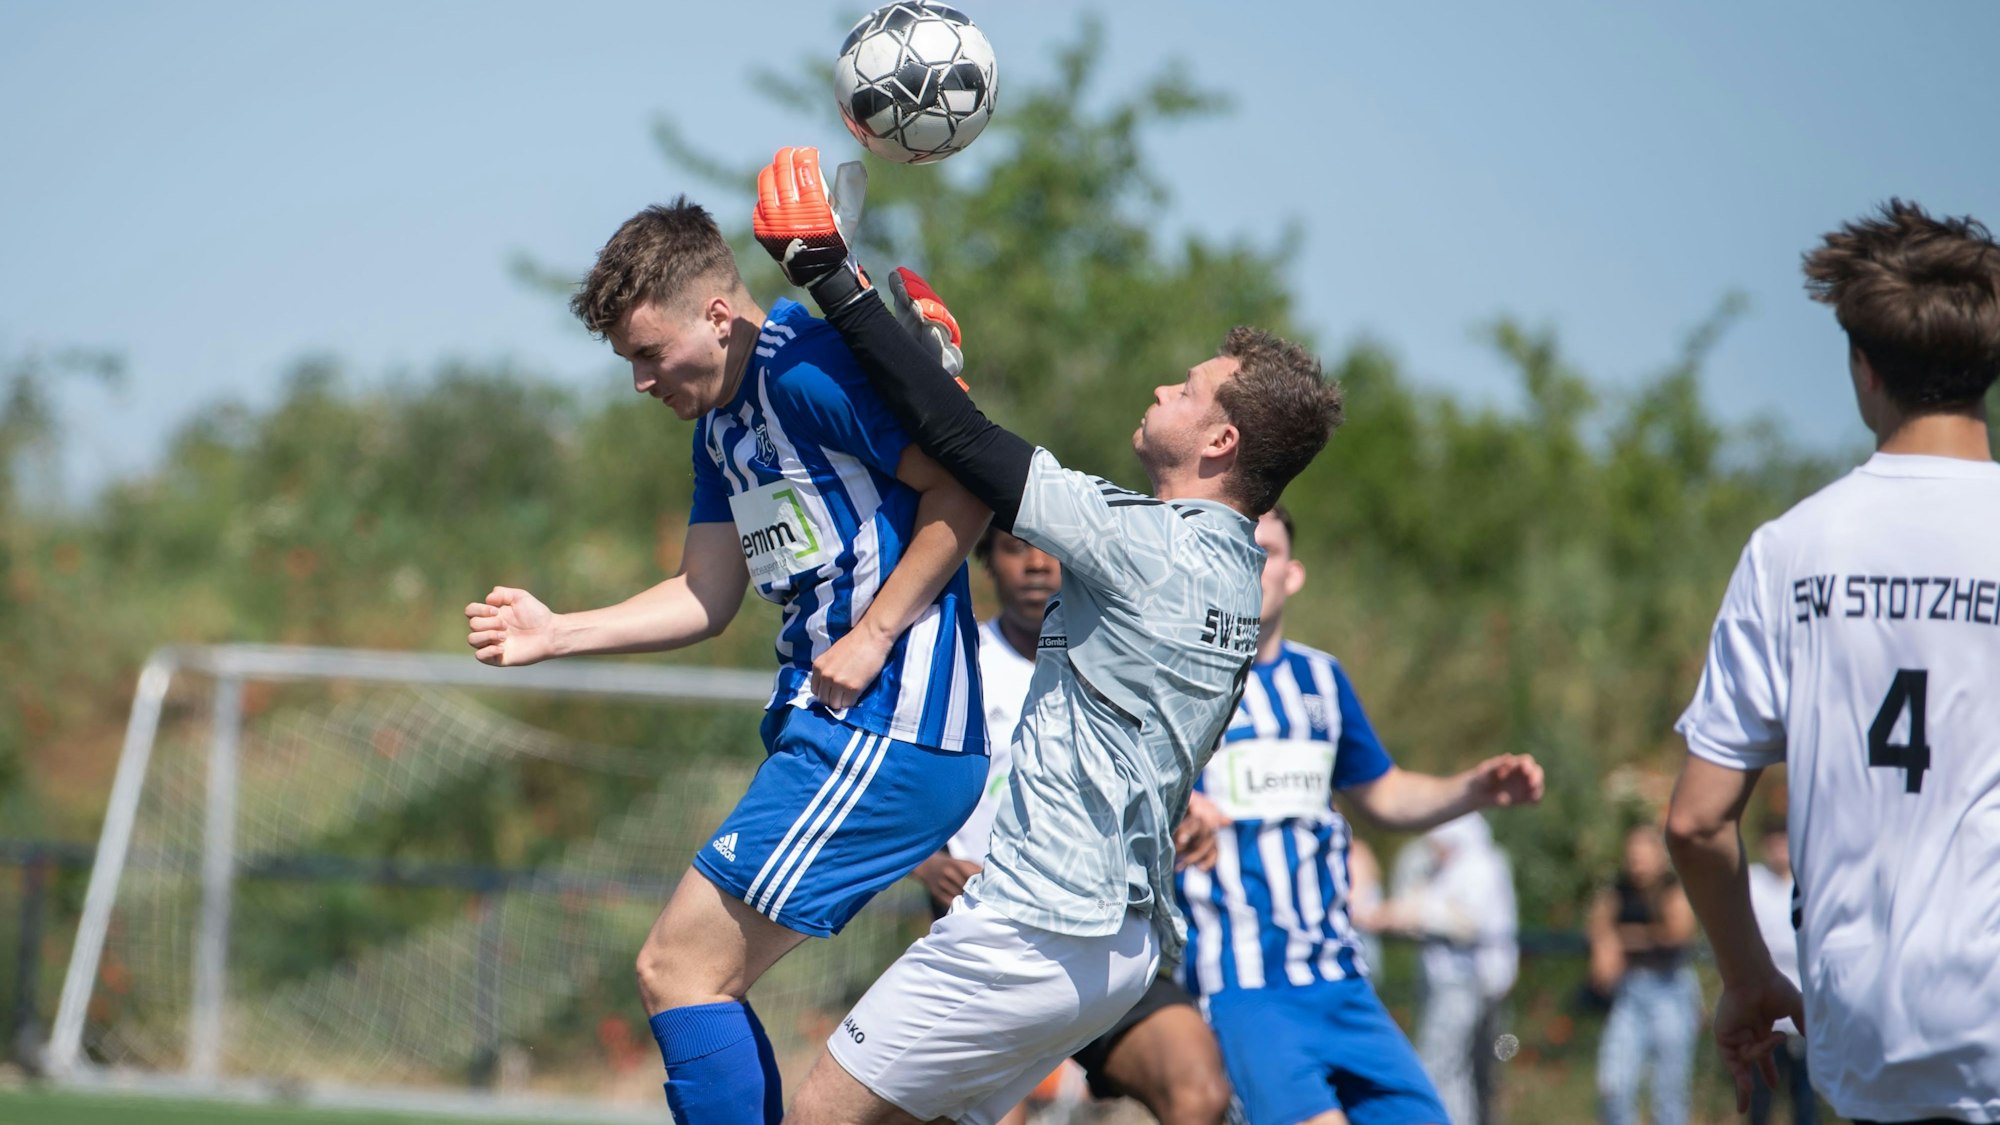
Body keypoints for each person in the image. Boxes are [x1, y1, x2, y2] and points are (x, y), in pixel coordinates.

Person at [751, 145, 1345, 1125]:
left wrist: (829, 275)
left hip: (1031, 925)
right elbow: (971, 449)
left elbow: (970, 451)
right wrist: (933, 382)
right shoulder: (1239, 574)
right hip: (1120, 948)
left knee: (816, 1118)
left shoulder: (1149, 545)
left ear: (1220, 441)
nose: (1164, 389)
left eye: (1187, 389)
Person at [463, 197, 994, 1124]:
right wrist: (558, 632)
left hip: (891, 727)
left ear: (716, 316)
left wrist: (874, 634)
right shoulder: (719, 424)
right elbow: (706, 593)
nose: (640, 381)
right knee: (694, 977)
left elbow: (968, 487)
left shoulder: (808, 370)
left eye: (647, 353)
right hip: (833, 733)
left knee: (678, 968)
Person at [1666, 199, 2000, 1125]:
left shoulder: (1791, 549)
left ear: (1863, 366)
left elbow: (1696, 821)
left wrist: (1748, 977)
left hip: (1861, 1025)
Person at [1176, 505, 1544, 1125]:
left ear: (1293, 574)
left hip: (1340, 980)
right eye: (1233, 549)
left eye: (1264, 552)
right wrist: (1175, 810)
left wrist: (1472, 789)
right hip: (1241, 983)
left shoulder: (1321, 679)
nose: (1248, 565)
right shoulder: (1176, 678)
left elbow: (1386, 794)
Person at [911, 527, 1234, 1125]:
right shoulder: (956, 664)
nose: (1037, 565)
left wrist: (1181, 822)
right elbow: (890, 786)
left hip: (1105, 936)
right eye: (1015, 548)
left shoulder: (1127, 662)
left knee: (1199, 1091)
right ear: (987, 561)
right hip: (989, 935)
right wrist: (929, 865)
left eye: (1053, 550)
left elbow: (1152, 786)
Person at [1382, 812, 1520, 1125]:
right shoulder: (1448, 868)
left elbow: (1467, 922)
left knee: (1445, 1066)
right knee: (1456, 1072)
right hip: (1453, 981)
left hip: (1468, 982)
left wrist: (1418, 913)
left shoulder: (1480, 866)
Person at [1588, 824, 1699, 1125]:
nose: (1636, 859)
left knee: (1669, 1093)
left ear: (1659, 856)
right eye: (1632, 853)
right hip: (1630, 992)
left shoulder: (1672, 888)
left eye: (1643, 852)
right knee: (1613, 1085)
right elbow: (1599, 922)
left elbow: (1678, 932)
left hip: (1669, 990)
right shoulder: (1619, 890)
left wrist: (1624, 938)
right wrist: (1603, 943)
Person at [1744, 817, 1813, 1125]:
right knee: (1760, 1096)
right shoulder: (1753, 882)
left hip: (1805, 1008)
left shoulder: (1809, 883)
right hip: (1764, 1012)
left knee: (1805, 1097)